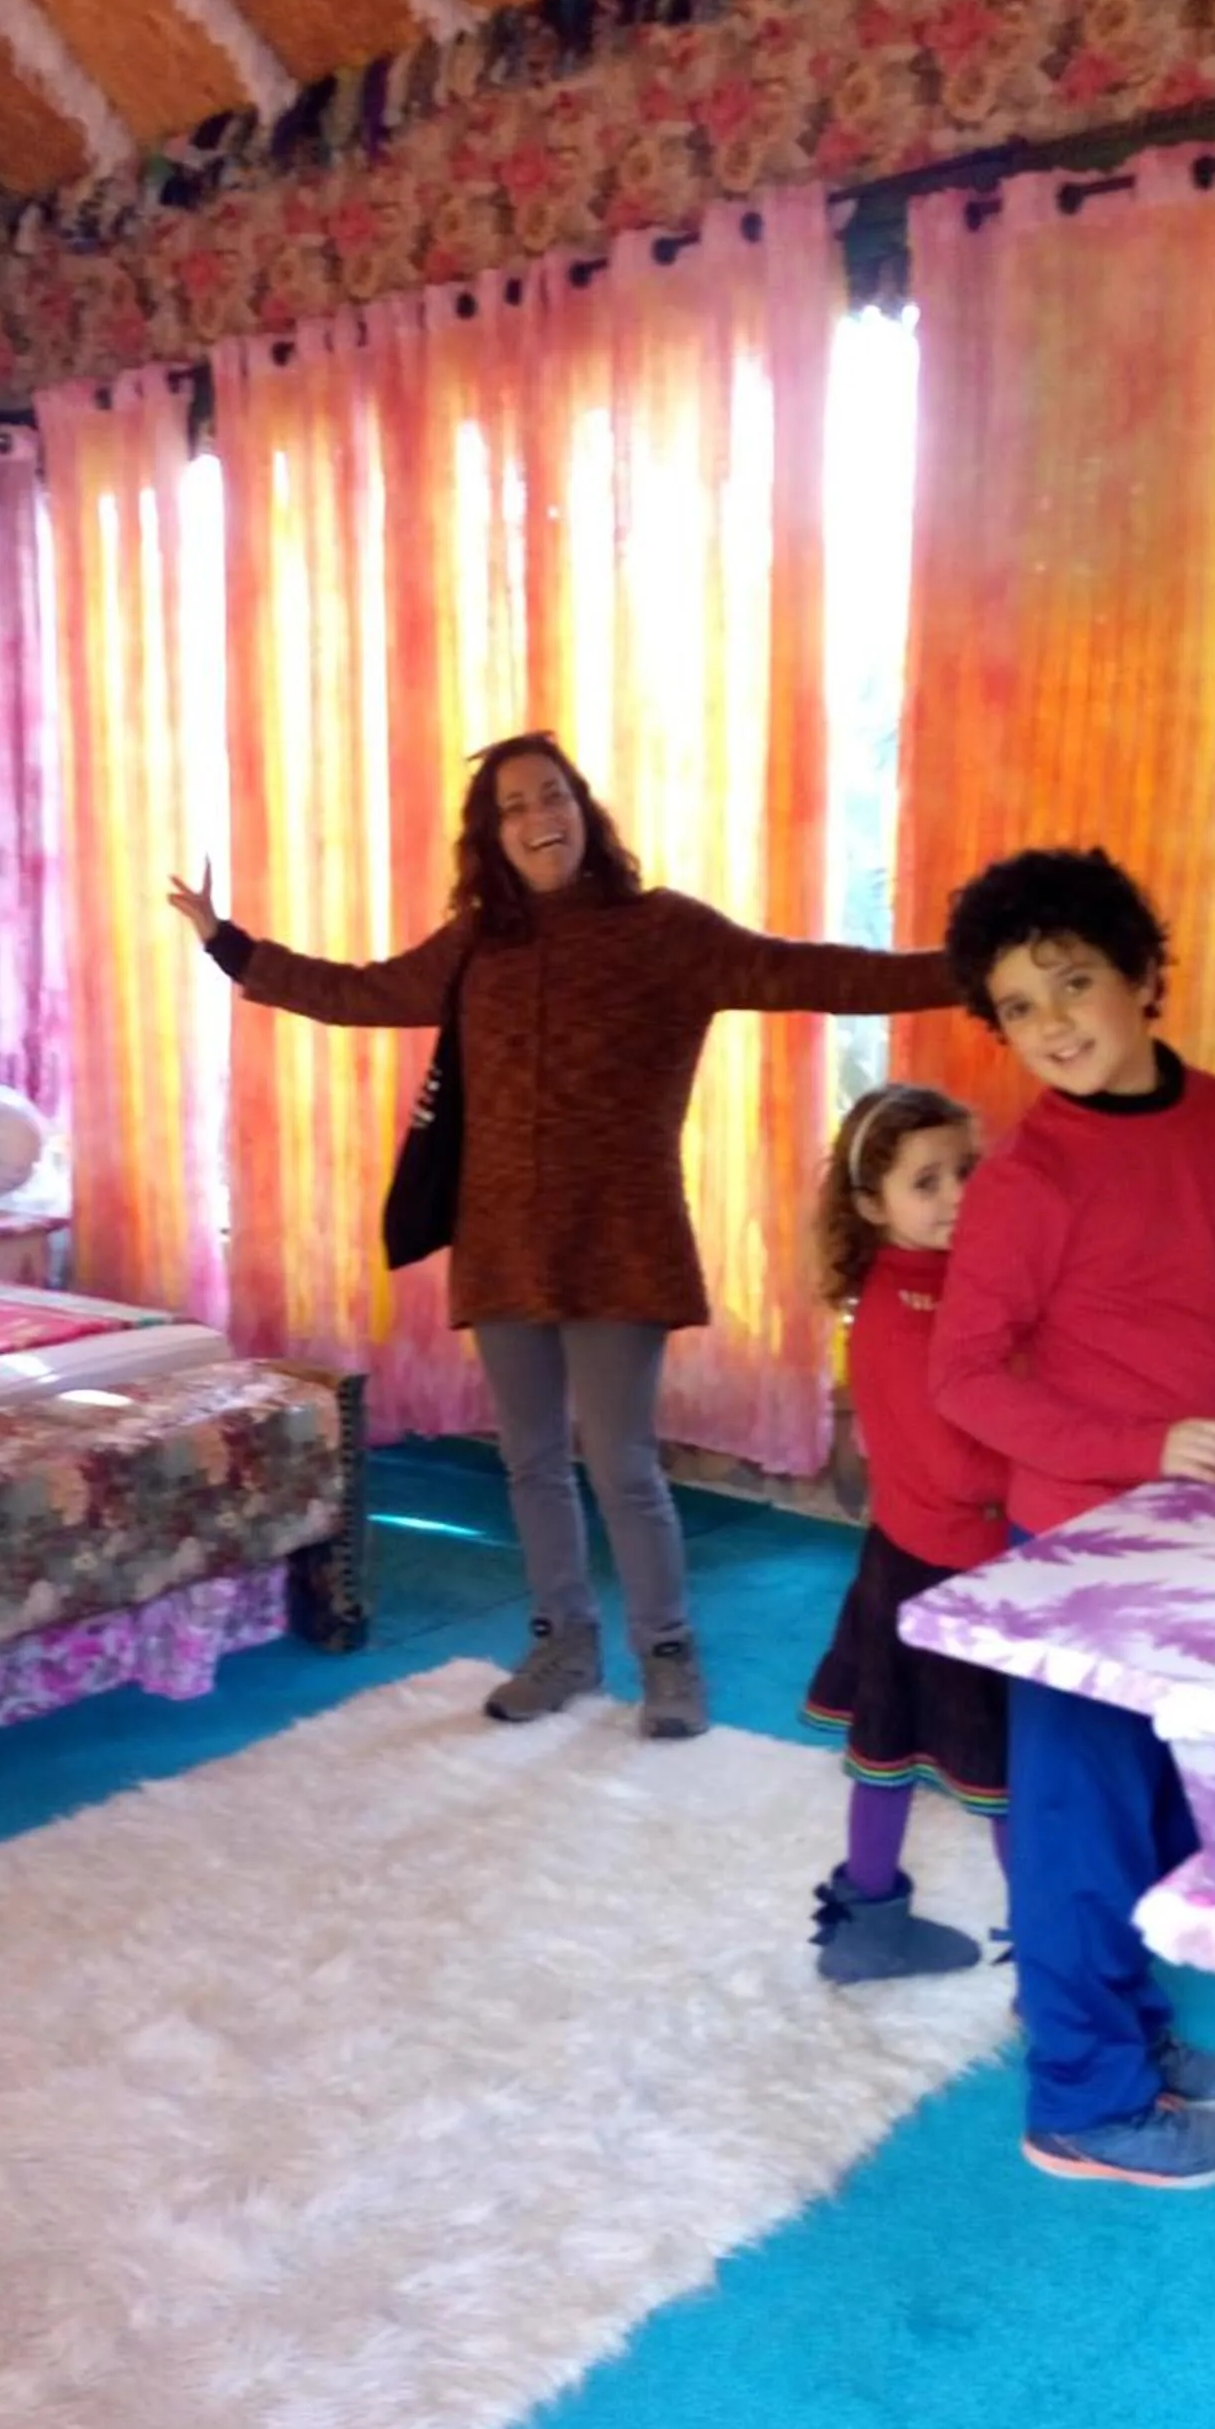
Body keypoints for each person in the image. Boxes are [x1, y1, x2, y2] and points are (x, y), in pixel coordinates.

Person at [170, 732, 962, 1740]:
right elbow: (358, 992)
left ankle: (670, 1661)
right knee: (532, 1463)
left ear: (583, 810)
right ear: (492, 838)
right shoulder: (473, 945)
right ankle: (563, 1646)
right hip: (503, 1244)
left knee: (622, 1465)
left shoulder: (665, 931)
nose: (538, 816)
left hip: (621, 1241)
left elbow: (816, 973)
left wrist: (965, 971)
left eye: (552, 795)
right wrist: (227, 943)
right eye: (512, 806)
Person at [926, 846, 1215, 2190]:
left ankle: (1129, 2033)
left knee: (1161, 1810)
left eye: (1073, 984)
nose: (1052, 1025)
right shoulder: (1026, 1181)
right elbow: (964, 1378)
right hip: (1077, 1552)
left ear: (1144, 978)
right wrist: (1136, 1447)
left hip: (1204, 1534)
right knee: (1079, 1827)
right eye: (1018, 1006)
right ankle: (1079, 2096)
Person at [802, 1083, 1009, 1985]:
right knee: (1010, 1778)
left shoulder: (918, 1284)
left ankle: (867, 1929)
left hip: (906, 1557)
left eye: (966, 1169)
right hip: (956, 1570)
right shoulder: (910, 1309)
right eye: (926, 1182)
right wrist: (1046, 1479)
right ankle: (1055, 1971)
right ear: (869, 1205)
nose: (957, 1195)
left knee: (886, 1753)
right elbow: (959, 1465)